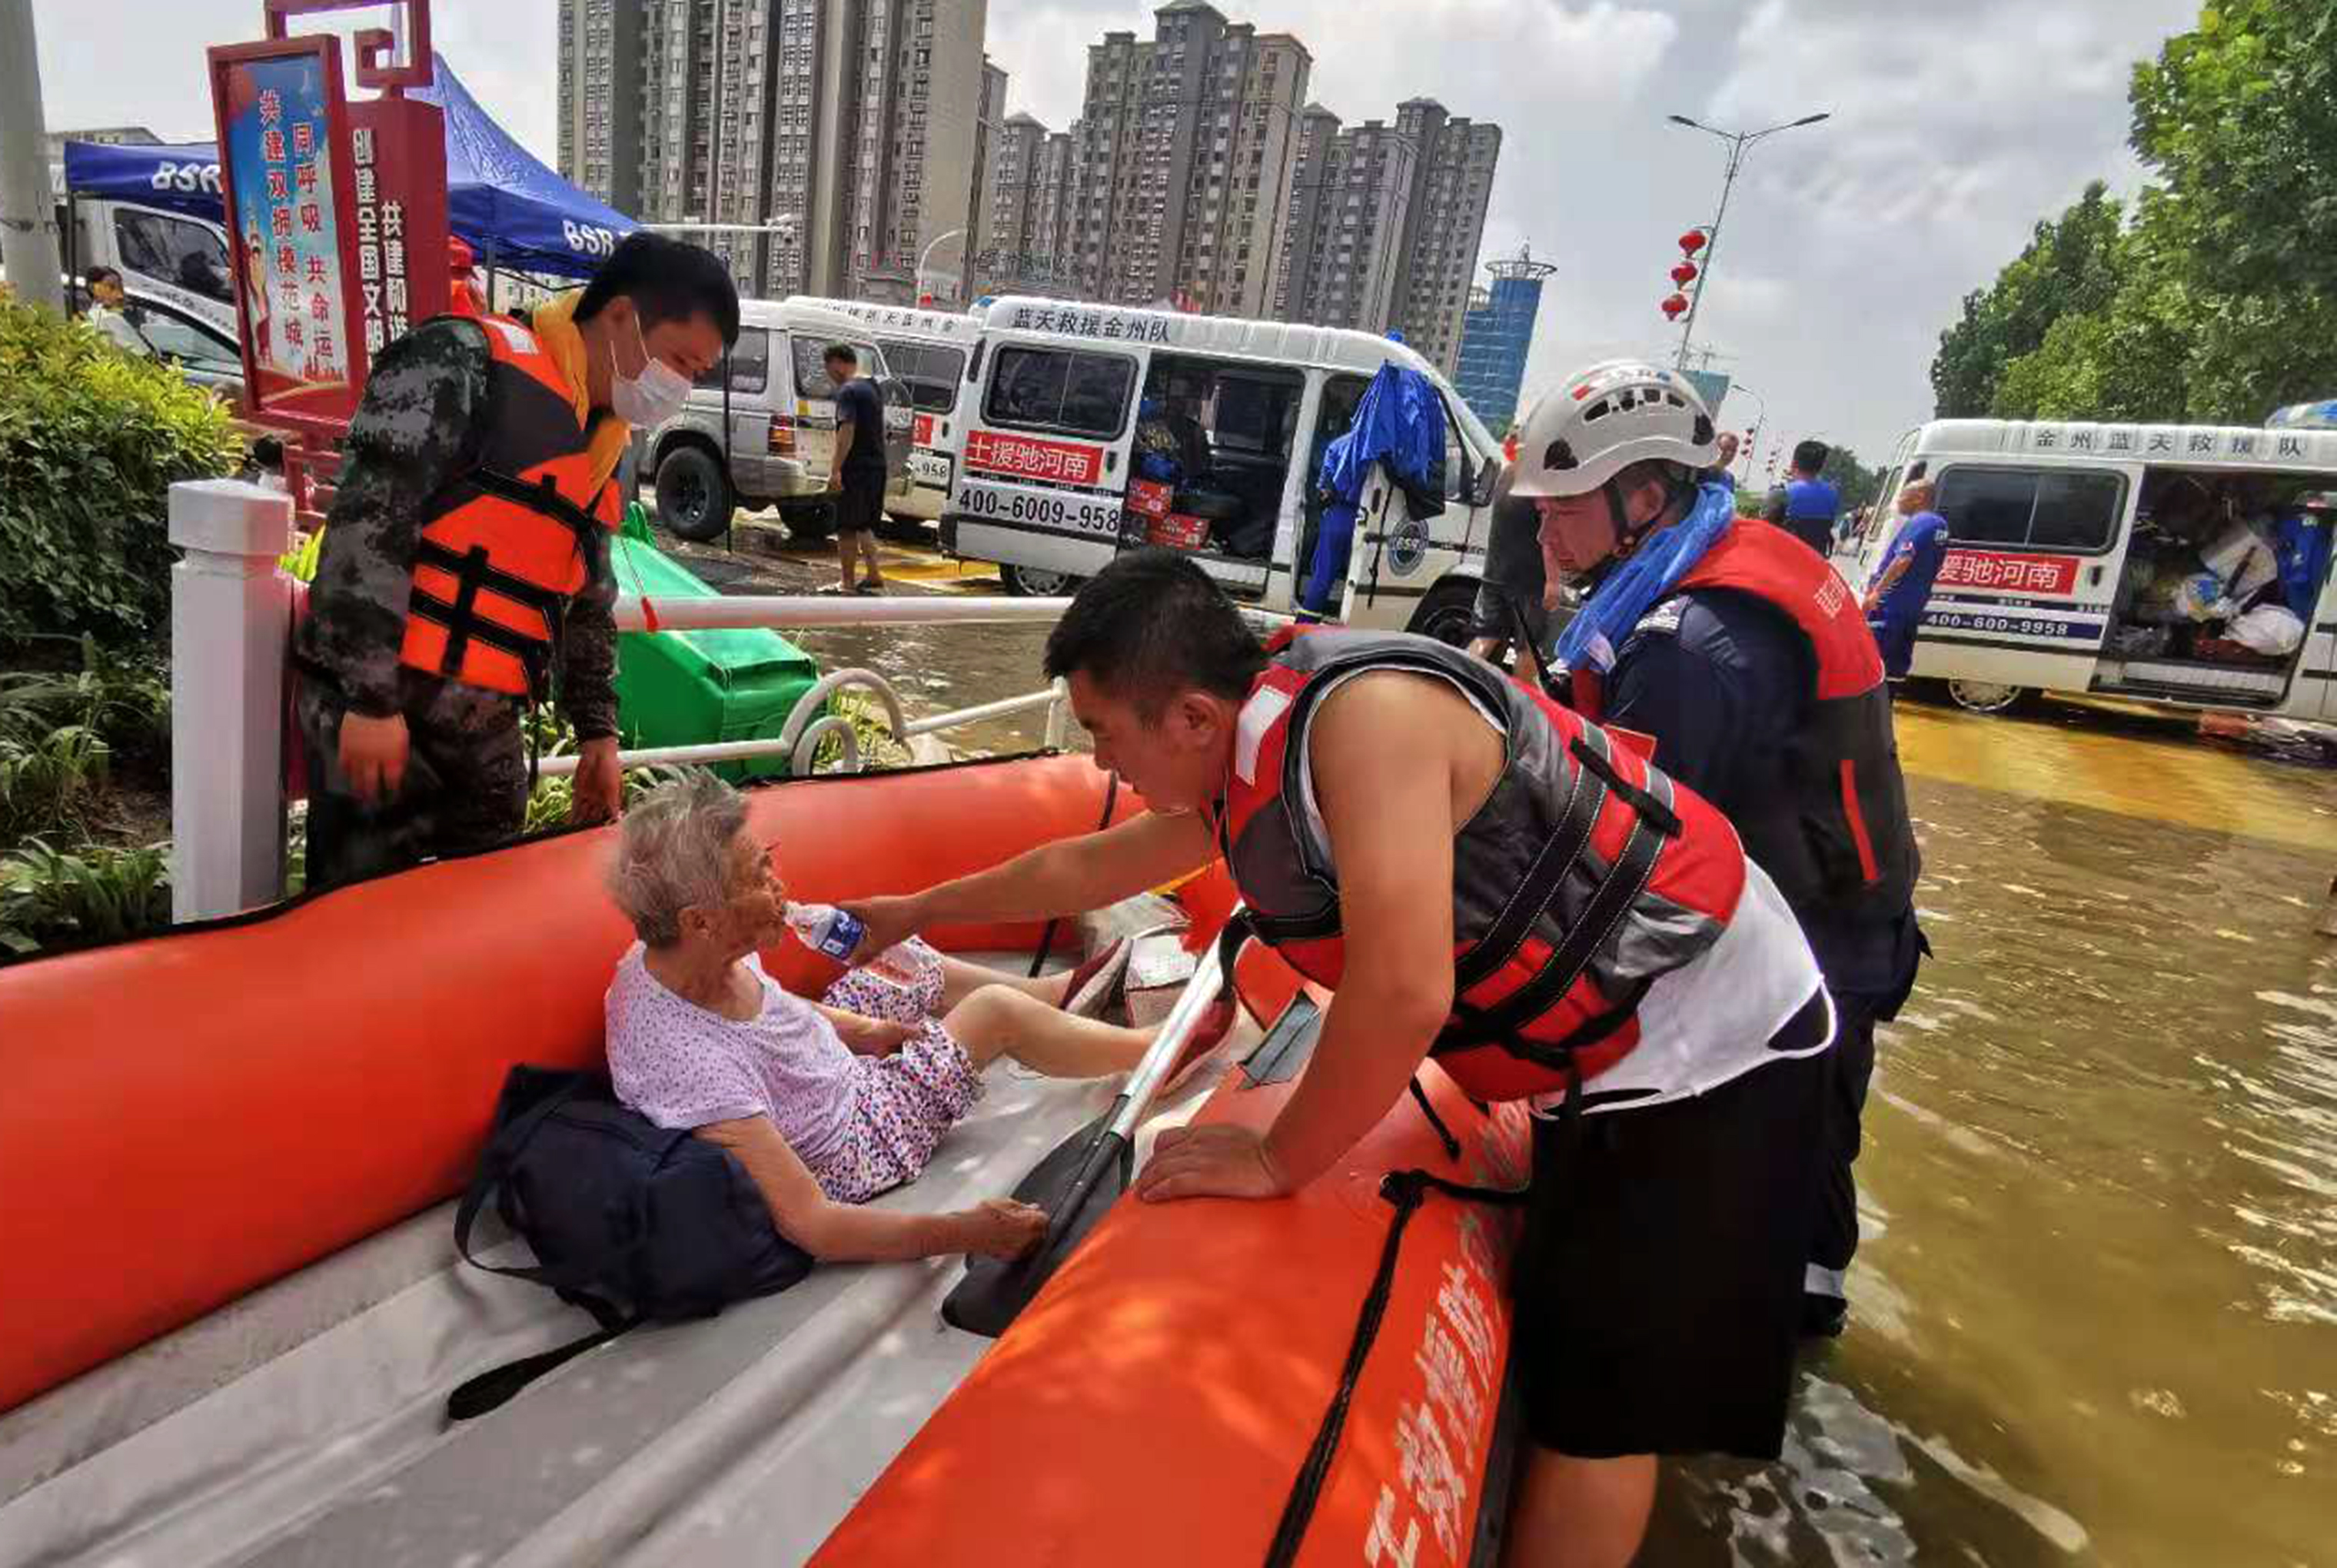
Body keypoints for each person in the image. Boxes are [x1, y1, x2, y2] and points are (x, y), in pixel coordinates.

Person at [843, 548, 1840, 1568]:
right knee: (1565, 1339)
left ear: (1189, 715)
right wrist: (913, 911)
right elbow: (1087, 864)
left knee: (1599, 1409)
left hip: (1705, 1035)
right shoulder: (1237, 746)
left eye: (1103, 733)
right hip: (1601, 1047)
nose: (1102, 764)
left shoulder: (1367, 727)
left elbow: (1407, 991)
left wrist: (1280, 1160)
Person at [1510, 360, 1925, 1344]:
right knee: (1809, 1179)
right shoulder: (1729, 567)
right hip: (1847, 923)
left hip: (1807, 951)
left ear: (1642, 500)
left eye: (1560, 508)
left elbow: (1629, 858)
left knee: (1766, 1203)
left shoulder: (1685, 647)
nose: (1542, 535)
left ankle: (1772, 1360)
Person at [603, 771, 1199, 1263]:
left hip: (821, 1067)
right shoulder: (695, 1065)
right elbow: (814, 1225)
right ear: (699, 921)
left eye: (769, 862)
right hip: (858, 1133)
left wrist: (870, 1032)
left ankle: (1059, 992)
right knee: (992, 1014)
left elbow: (770, 1017)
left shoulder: (668, 958)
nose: (779, 885)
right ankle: (1158, 1051)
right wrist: (965, 1231)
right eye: (758, 876)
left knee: (896, 963)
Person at [294, 231, 737, 890]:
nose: (679, 387)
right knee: (356, 918)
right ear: (620, 316)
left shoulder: (605, 443)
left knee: (482, 917)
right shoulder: (461, 362)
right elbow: (369, 524)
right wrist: (370, 700)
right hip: (386, 721)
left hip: (487, 736)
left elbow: (586, 600)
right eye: (679, 361)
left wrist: (598, 732)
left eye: (696, 375)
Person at [1464, 466, 1554, 689]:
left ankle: (1458, 682)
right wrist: (1553, 581)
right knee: (1528, 649)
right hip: (1530, 580)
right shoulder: (1543, 480)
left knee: (1485, 637)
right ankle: (1522, 703)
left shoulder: (1508, 474)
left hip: (1494, 572)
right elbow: (1549, 535)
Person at [1863, 480, 1951, 678]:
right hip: (1912, 607)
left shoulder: (1921, 522)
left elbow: (1903, 560)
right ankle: (1886, 705)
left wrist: (1876, 591)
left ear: (1919, 497)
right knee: (1895, 670)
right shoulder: (1940, 525)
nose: (1898, 502)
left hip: (1892, 606)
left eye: (1902, 496)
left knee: (1876, 666)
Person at [823, 344, 889, 595]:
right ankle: (874, 575)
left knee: (847, 528)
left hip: (856, 468)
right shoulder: (872, 386)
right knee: (864, 525)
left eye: (828, 367)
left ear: (838, 362)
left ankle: (847, 583)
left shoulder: (848, 391)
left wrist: (836, 470)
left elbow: (846, 432)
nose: (829, 373)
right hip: (876, 467)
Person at [1764, 438, 1840, 555]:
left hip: (1782, 562)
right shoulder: (1832, 495)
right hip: (1815, 564)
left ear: (1794, 463)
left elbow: (1763, 531)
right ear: (1820, 467)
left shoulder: (1781, 493)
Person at [81, 266, 151, 355]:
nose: (120, 296)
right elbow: (145, 355)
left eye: (121, 288)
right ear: (93, 289)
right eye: (111, 288)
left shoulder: (89, 319)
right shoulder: (110, 318)